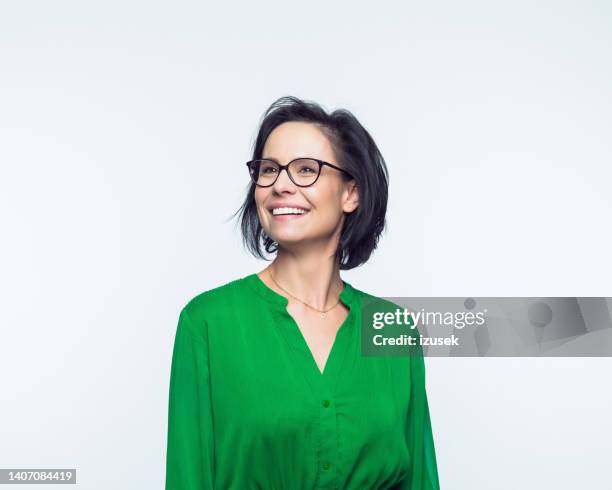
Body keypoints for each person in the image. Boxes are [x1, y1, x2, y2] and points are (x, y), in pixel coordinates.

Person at [165, 96, 440, 489]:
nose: (280, 185)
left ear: (351, 193)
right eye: (269, 170)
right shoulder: (208, 323)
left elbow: (421, 480)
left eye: (306, 170)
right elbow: (187, 478)